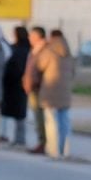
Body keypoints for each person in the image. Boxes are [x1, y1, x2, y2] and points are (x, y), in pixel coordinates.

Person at [30, 29, 74, 158]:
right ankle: (65, 149)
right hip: (65, 92)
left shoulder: (49, 51)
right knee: (64, 121)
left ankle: (53, 149)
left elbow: (39, 66)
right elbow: (73, 72)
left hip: (50, 90)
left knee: (51, 121)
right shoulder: (68, 53)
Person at [2, 26, 31, 147]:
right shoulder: (25, 48)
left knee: (19, 113)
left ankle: (20, 139)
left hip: (17, 83)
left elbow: (14, 67)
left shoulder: (20, 50)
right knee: (17, 112)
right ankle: (18, 138)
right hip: (16, 84)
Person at [23, 27, 48, 154]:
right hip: (33, 88)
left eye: (32, 36)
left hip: (40, 88)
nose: (29, 38)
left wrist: (34, 81)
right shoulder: (34, 50)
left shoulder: (44, 50)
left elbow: (40, 69)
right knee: (37, 117)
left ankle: (43, 142)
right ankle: (41, 141)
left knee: (41, 116)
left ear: (39, 37)